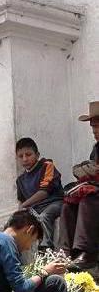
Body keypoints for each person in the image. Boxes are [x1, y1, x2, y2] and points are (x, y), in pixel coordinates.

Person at [60, 101, 99, 271]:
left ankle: (88, 253)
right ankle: (66, 253)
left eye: (98, 126)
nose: (94, 131)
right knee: (67, 205)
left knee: (87, 200)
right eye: (93, 127)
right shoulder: (96, 148)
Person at [15, 137, 63, 250]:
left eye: (28, 154)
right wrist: (20, 211)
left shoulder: (47, 166)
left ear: (37, 155)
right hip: (35, 208)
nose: (25, 159)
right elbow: (21, 201)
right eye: (21, 156)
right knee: (17, 222)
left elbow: (44, 192)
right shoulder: (20, 180)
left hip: (54, 203)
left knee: (44, 216)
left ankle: (45, 246)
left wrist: (24, 205)